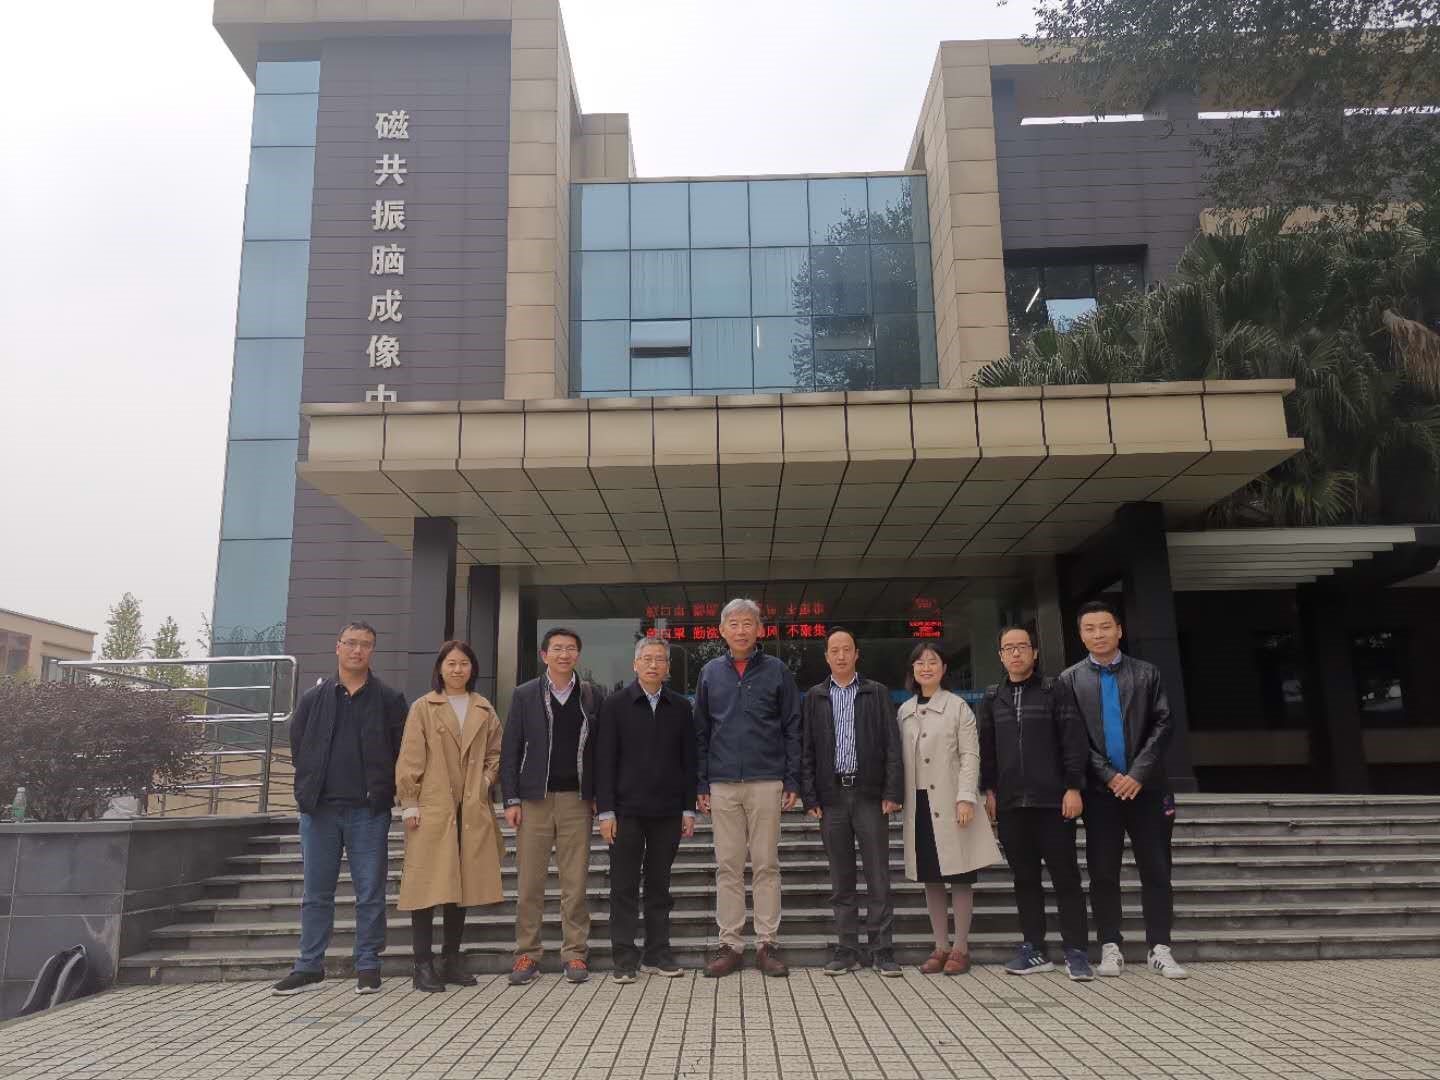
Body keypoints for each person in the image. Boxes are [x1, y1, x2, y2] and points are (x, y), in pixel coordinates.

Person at [271, 620, 407, 996]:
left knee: (370, 893)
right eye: (351, 643)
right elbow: (299, 747)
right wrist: (308, 790)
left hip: (369, 811)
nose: (357, 650)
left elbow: (402, 752)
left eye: (365, 644)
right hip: (320, 811)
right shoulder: (313, 699)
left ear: (372, 651)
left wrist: (386, 792)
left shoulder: (390, 700)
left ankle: (368, 964)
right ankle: (308, 966)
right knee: (316, 893)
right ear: (338, 647)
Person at [1058, 599, 1188, 980]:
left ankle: (1160, 947)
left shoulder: (1147, 674)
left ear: (1119, 630)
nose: (1098, 634)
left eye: (1105, 627)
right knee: (1102, 872)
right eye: (1090, 629)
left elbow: (1163, 724)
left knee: (1156, 868)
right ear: (1081, 635)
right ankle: (1110, 945)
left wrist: (1137, 774)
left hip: (1147, 789)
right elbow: (1072, 736)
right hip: (1101, 794)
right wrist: (1109, 775)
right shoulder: (1069, 680)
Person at [978, 626, 1093, 981]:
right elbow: (987, 751)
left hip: (1053, 803)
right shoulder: (993, 698)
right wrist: (989, 791)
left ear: (1035, 652)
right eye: (1008, 648)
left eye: (1022, 647)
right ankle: (1034, 948)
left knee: (1066, 878)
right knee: (1024, 879)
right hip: (1011, 805)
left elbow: (1074, 742)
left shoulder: (1055, 691)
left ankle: (1076, 951)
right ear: (1000, 655)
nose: (1015, 653)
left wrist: (1073, 787)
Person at [695, 598, 802, 978]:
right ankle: (730, 945)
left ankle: (766, 944)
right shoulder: (710, 672)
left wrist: (792, 778)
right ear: (722, 630)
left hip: (766, 780)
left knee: (766, 864)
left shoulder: (777, 671)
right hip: (722, 783)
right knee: (728, 866)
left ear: (760, 630)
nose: (741, 631)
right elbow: (701, 731)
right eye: (734, 624)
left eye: (748, 623)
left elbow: (792, 727)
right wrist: (701, 781)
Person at [395, 640, 505, 992]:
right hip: (433, 806)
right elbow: (410, 756)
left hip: (470, 807)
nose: (458, 669)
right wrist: (409, 802)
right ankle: (422, 963)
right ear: (440, 668)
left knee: (462, 885)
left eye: (464, 664)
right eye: (451, 663)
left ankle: (451, 959)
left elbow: (497, 753)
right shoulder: (424, 707)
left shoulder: (483, 708)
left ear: (473, 669)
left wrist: (485, 781)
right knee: (426, 885)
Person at [500, 627, 603, 986]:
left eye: (570, 648)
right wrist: (511, 798)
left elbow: (600, 750)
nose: (564, 654)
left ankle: (575, 952)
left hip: (577, 800)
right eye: (557, 648)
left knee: (575, 882)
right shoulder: (525, 694)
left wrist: (598, 796)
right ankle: (527, 953)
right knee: (530, 882)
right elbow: (510, 749)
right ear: (544, 655)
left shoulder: (591, 695)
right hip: (535, 801)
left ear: (578, 655)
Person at [799, 628, 904, 977]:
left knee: (878, 876)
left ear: (857, 653)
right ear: (826, 656)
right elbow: (807, 749)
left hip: (870, 796)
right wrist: (810, 796)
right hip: (831, 799)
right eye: (835, 650)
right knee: (840, 878)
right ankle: (846, 948)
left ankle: (882, 949)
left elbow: (892, 745)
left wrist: (892, 792)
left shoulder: (876, 692)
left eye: (847, 649)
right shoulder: (815, 697)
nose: (841, 655)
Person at [595, 638, 698, 983]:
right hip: (625, 812)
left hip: (668, 812)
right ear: (635, 664)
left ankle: (658, 953)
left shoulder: (680, 706)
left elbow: (689, 760)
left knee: (659, 886)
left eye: (660, 660)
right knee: (623, 886)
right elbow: (604, 760)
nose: (654, 665)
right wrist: (606, 812)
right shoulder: (615, 705)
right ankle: (624, 957)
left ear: (668, 667)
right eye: (647, 659)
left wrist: (688, 808)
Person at [898, 641, 1003, 976]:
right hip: (919, 804)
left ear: (944, 669)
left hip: (952, 801)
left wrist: (966, 796)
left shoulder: (958, 707)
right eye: (920, 663)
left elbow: (970, 755)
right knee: (930, 877)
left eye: (933, 662)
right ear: (912, 670)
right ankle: (940, 946)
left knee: (959, 876)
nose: (926, 668)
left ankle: (961, 948)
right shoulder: (904, 711)